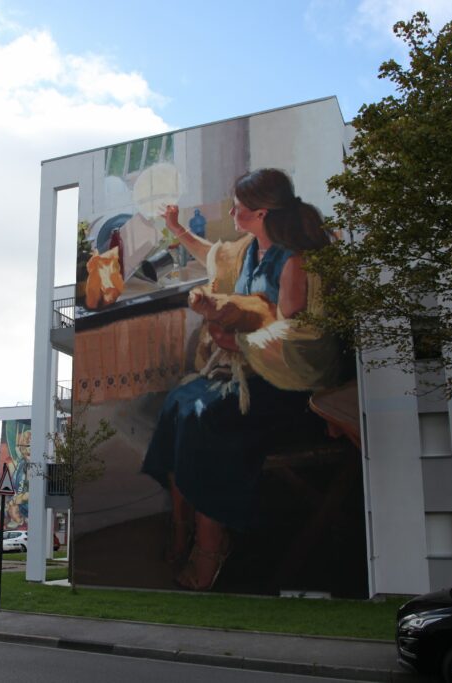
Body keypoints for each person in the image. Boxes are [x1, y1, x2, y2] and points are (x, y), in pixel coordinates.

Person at [141, 168, 342, 591]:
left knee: (205, 418)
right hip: (250, 376)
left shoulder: (297, 261)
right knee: (179, 403)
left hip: (287, 390)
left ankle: (212, 545)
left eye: (238, 207)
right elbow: (212, 254)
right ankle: (183, 528)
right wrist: (176, 229)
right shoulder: (249, 248)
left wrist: (238, 344)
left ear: (262, 213)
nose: (232, 211)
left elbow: (298, 337)